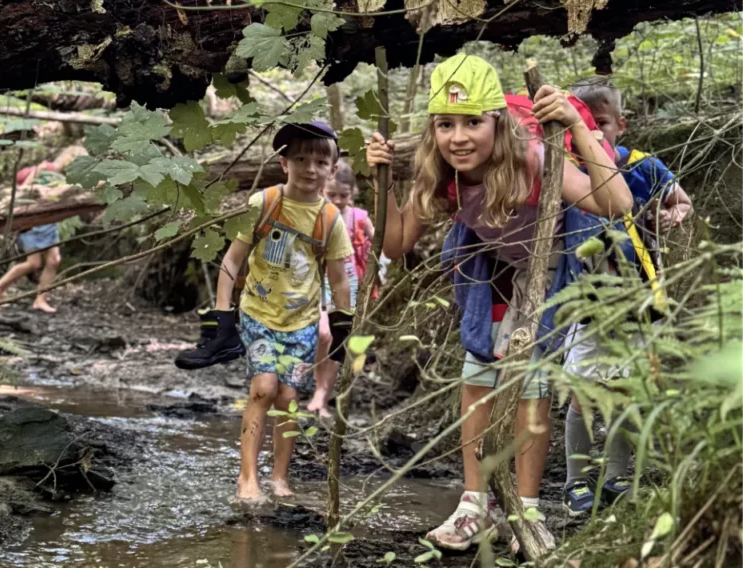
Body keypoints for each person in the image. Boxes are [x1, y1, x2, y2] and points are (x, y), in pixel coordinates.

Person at [366, 54, 634, 550]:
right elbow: (397, 242)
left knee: (529, 384)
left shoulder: (532, 156)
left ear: (499, 122)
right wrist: (380, 180)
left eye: (473, 123)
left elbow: (616, 205)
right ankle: (476, 505)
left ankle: (527, 512)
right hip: (493, 266)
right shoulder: (441, 172)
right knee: (479, 377)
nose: (458, 137)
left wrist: (576, 125)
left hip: (552, 266)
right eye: (445, 125)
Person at [559, 80, 693, 516]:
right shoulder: (567, 171)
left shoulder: (643, 166)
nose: (592, 133)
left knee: (623, 389)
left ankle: (616, 476)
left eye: (599, 124)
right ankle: (576, 482)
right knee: (582, 392)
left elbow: (681, 201)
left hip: (640, 295)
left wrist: (671, 214)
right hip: (585, 301)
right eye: (582, 123)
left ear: (620, 123)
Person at [218, 121, 353, 501]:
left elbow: (339, 279)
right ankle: (247, 477)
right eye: (301, 159)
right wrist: (222, 315)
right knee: (263, 388)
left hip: (303, 322)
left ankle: (279, 476)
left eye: (320, 162)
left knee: (288, 398)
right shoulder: (264, 203)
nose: (311, 169)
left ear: (332, 166)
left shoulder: (330, 219)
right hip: (259, 313)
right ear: (284, 163)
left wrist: (343, 326)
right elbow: (232, 261)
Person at [307, 161, 374, 419]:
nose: (337, 200)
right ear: (322, 190)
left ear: (353, 193)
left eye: (343, 196)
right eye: (331, 195)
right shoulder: (315, 214)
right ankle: (317, 387)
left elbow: (379, 247)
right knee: (323, 334)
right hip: (317, 282)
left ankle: (321, 398)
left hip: (348, 286)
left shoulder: (359, 218)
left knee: (336, 340)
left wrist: (379, 274)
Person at [0, 147, 85, 313]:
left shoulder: (64, 177)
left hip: (50, 222)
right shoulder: (44, 169)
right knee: (33, 263)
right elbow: (23, 190)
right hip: (34, 221)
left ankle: (40, 299)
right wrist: (40, 191)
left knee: (54, 260)